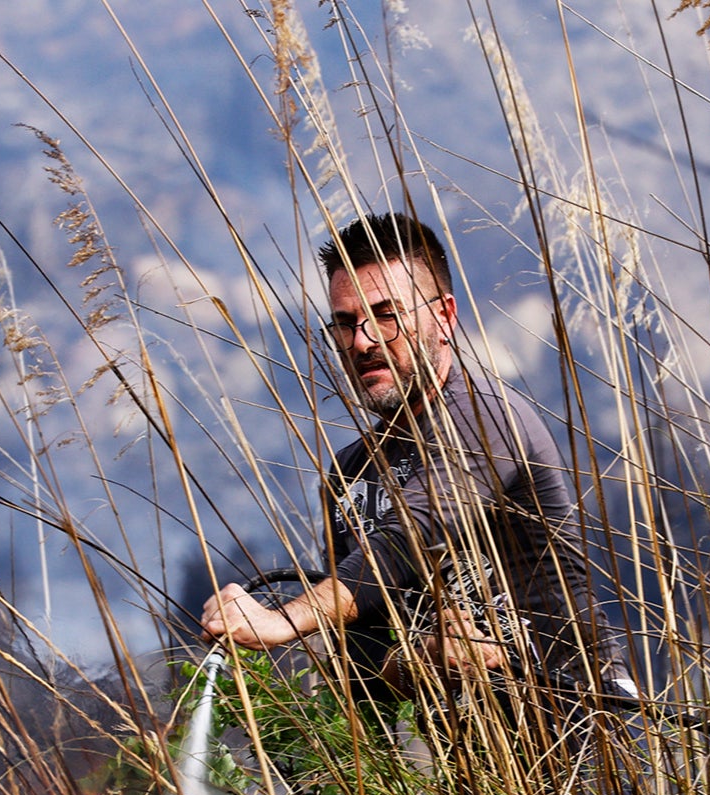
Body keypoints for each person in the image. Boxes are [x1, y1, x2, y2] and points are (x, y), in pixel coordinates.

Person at [198, 211, 628, 699]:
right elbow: (363, 670)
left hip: (579, 739)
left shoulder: (487, 417)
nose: (363, 341)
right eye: (345, 323)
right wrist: (421, 659)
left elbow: (411, 535)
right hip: (464, 770)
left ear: (444, 315)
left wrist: (283, 619)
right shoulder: (349, 476)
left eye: (386, 314)